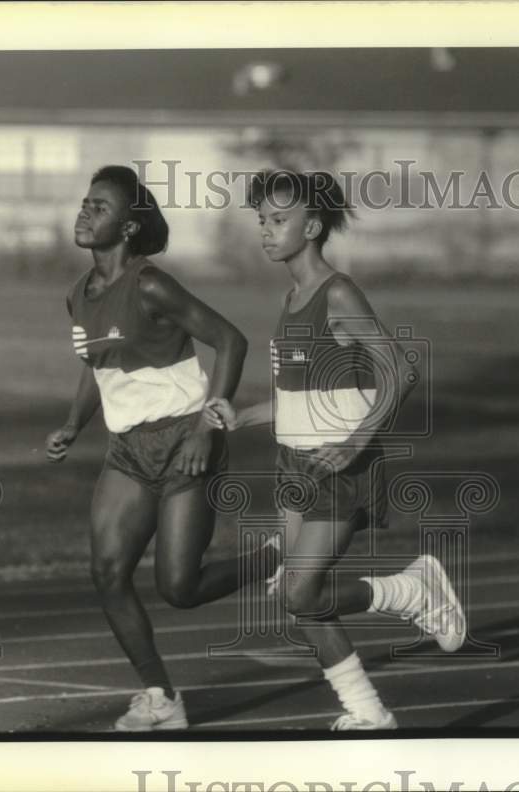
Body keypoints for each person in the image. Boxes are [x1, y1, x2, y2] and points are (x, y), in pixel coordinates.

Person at [203, 169, 466, 731]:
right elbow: (301, 396)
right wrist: (242, 416)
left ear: (313, 225)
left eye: (279, 221)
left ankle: (407, 589)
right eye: (262, 221)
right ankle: (368, 713)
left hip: (340, 465)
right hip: (296, 464)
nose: (266, 232)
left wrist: (353, 444)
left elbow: (398, 372)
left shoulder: (338, 292)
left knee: (300, 593)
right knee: (300, 600)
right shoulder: (293, 295)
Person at [45, 165, 278, 731]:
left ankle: (276, 555)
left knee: (179, 588)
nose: (84, 212)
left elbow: (231, 340)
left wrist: (206, 426)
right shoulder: (78, 295)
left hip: (183, 441)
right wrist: (74, 425)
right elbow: (94, 366)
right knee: (107, 571)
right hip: (127, 450)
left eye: (99, 207)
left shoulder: (151, 284)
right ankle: (160, 696)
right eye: (85, 202)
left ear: (127, 228)